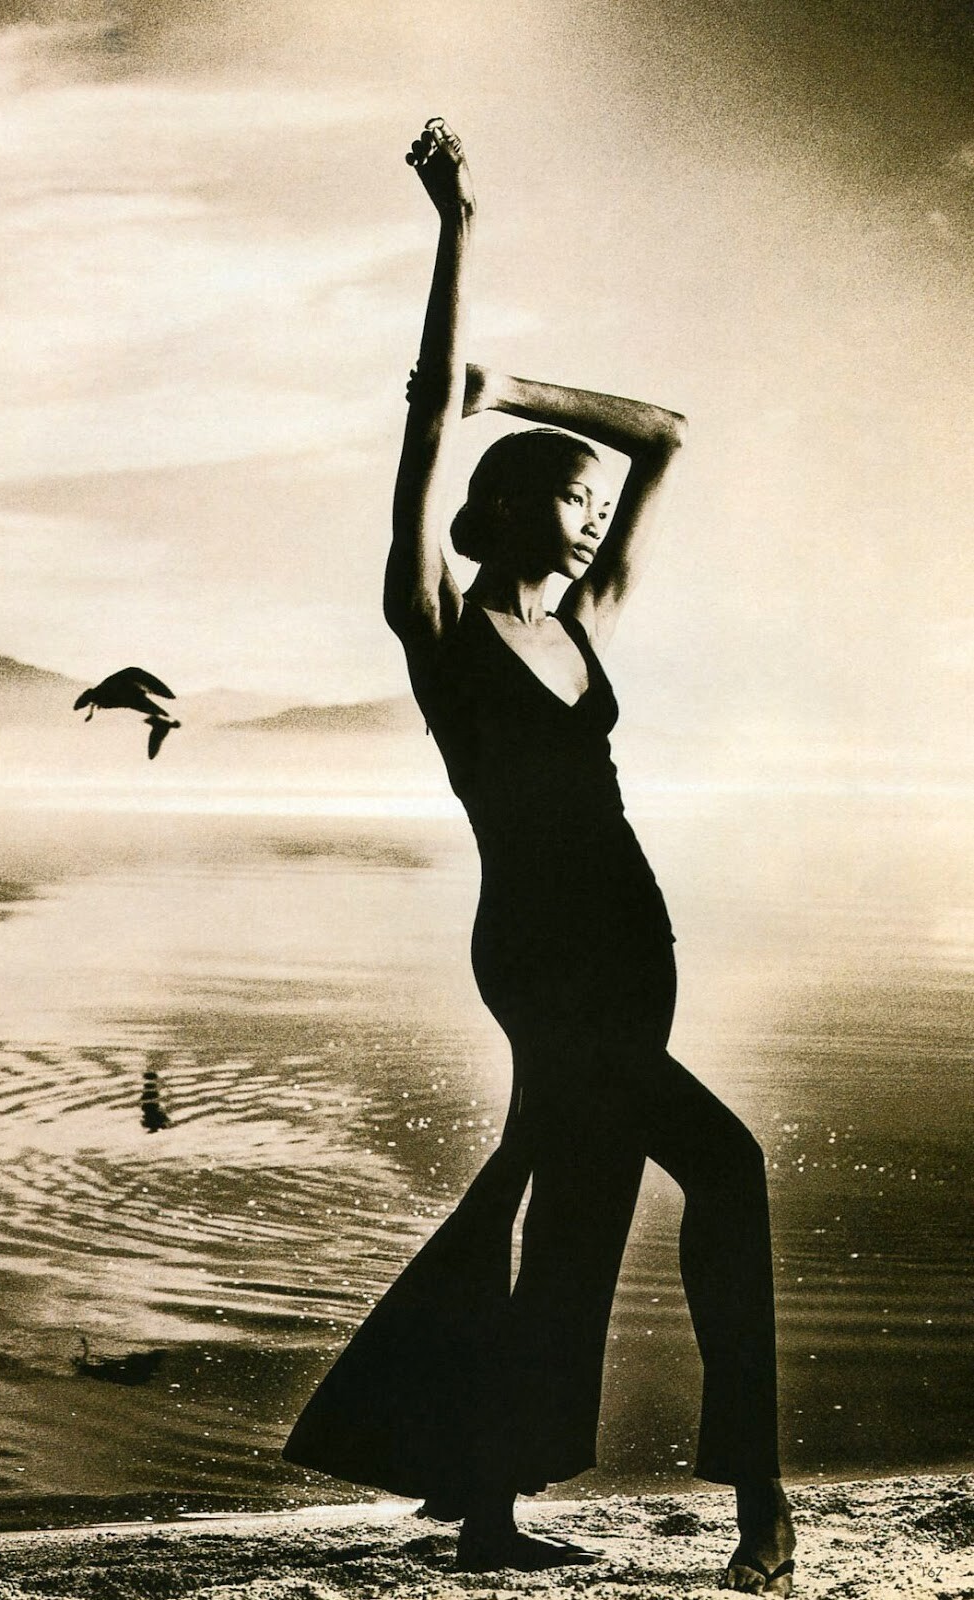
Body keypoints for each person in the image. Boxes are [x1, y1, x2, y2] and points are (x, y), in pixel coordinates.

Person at [284, 118, 797, 1594]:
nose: (589, 523)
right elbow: (418, 436)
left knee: (572, 1206)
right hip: (537, 953)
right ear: (504, 504)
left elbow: (664, 434)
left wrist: (509, 385)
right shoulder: (439, 627)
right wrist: (458, 229)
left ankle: (487, 1504)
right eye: (569, 501)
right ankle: (761, 1501)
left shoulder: (588, 625)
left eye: (595, 510)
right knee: (727, 1166)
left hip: (634, 946)